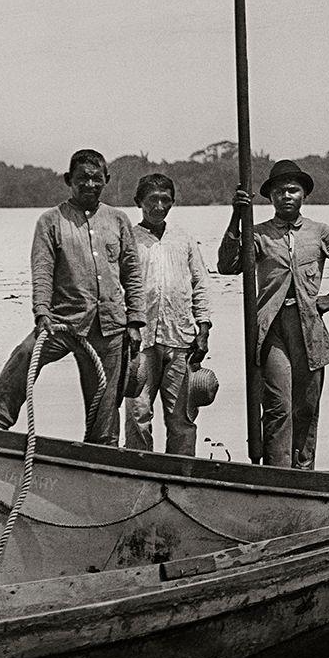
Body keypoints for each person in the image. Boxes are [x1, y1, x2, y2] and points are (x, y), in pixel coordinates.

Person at [215, 159, 329, 469]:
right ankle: (278, 473)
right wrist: (237, 216)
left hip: (309, 330)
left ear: (304, 195)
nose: (286, 196)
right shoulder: (258, 234)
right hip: (272, 329)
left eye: (292, 190)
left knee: (306, 407)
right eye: (279, 192)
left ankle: (303, 473)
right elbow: (227, 265)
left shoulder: (319, 232)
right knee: (278, 407)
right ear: (270, 197)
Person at [0, 148, 145, 445]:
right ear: (69, 180)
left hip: (109, 328)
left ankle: (101, 451)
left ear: (106, 180)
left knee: (105, 407)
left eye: (96, 178)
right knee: (24, 355)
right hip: (62, 322)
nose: (90, 184)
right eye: (82, 178)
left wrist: (135, 321)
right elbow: (42, 271)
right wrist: (42, 312)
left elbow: (132, 274)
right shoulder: (50, 221)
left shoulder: (119, 221)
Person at [125, 171, 213, 456]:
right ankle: (140, 473)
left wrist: (203, 328)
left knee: (182, 418)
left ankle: (181, 477)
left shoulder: (184, 240)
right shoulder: (128, 239)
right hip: (141, 342)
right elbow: (119, 287)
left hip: (181, 339)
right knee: (138, 415)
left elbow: (200, 285)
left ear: (173, 202)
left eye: (165, 199)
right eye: (152, 199)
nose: (159, 206)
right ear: (139, 201)